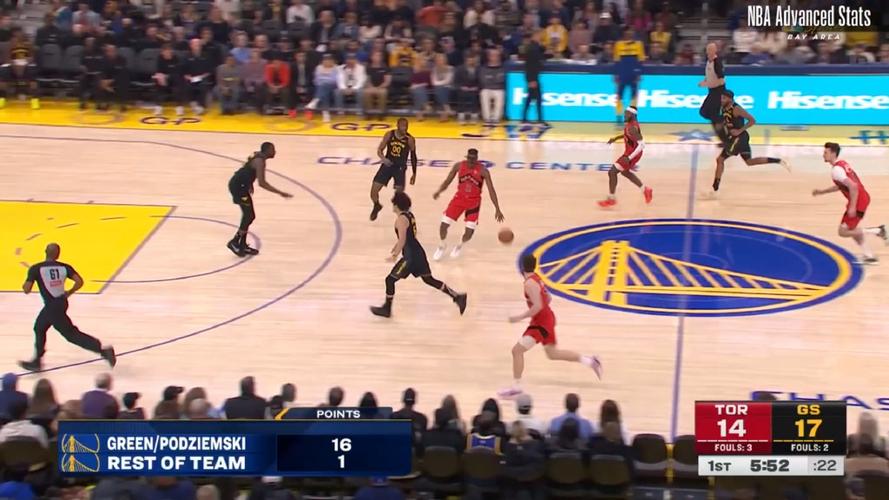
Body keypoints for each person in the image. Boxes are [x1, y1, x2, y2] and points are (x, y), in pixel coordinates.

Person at [498, 254, 602, 398]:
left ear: (522, 266)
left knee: (517, 351)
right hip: (546, 319)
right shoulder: (537, 278)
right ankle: (590, 361)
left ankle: (517, 387)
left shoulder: (529, 284)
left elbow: (538, 306)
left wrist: (518, 318)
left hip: (541, 323)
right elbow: (548, 298)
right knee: (553, 354)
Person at [19, 244, 116, 372]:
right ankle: (37, 361)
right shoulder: (64, 267)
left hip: (52, 306)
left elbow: (27, 289)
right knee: (39, 327)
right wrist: (69, 292)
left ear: (45, 252)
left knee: (70, 334)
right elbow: (79, 281)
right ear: (58, 254)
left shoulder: (36, 268)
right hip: (61, 302)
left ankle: (103, 351)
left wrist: (26, 283)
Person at [370, 192, 468, 318]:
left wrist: (395, 255)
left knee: (390, 280)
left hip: (410, 257)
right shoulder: (409, 215)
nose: (392, 206)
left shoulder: (400, 220)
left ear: (397, 205)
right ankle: (457, 297)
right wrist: (396, 247)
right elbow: (410, 236)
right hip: (418, 253)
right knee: (429, 279)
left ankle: (387, 309)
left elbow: (402, 240)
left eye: (393, 204)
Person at [812, 142, 887, 264]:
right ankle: (869, 256)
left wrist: (852, 206)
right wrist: (822, 192)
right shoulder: (842, 164)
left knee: (843, 231)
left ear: (833, 153)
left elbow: (853, 186)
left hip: (858, 201)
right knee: (851, 229)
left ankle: (878, 231)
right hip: (860, 199)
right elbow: (841, 186)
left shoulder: (836, 170)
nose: (823, 155)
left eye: (825, 152)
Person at [708, 89, 789, 196]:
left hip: (739, 138)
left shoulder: (736, 109)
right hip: (737, 138)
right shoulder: (723, 108)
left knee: (720, 159)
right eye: (721, 98)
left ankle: (715, 189)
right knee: (749, 162)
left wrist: (739, 131)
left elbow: (752, 120)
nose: (721, 100)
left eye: (724, 98)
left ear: (730, 99)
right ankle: (778, 161)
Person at [432, 148, 504, 260]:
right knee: (443, 225)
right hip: (459, 199)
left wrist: (497, 208)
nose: (471, 161)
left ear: (476, 159)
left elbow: (491, 190)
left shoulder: (483, 171)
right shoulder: (458, 166)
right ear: (467, 157)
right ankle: (442, 245)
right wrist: (439, 191)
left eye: (473, 159)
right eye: (469, 158)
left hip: (473, 202)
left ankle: (459, 246)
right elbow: (447, 181)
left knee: (469, 233)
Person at [226, 142, 293, 257]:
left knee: (249, 216)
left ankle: (242, 245)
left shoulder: (259, 157)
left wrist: (249, 183)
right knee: (249, 216)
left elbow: (247, 169)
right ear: (267, 150)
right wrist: (280, 192)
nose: (275, 152)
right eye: (272, 149)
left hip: (241, 185)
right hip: (238, 187)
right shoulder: (260, 161)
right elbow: (262, 183)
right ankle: (234, 242)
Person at [598, 106, 653, 208]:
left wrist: (629, 158)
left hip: (632, 154)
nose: (624, 115)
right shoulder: (630, 125)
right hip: (630, 152)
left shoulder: (633, 128)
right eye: (625, 113)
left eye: (627, 114)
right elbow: (627, 135)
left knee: (612, 172)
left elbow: (642, 145)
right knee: (625, 172)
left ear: (632, 115)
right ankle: (646, 190)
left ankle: (611, 199)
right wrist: (615, 138)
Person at [370, 118, 418, 221]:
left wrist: (414, 173)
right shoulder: (389, 134)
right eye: (403, 126)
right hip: (388, 165)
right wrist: (383, 159)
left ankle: (403, 218)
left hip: (400, 168)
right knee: (373, 191)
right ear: (397, 126)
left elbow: (414, 157)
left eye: (406, 126)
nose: (405, 128)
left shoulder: (410, 139)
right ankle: (377, 205)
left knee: (399, 196)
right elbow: (379, 150)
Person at [698, 42, 726, 142]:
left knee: (706, 112)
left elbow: (721, 81)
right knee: (709, 114)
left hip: (718, 92)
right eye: (707, 49)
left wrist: (707, 84)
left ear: (715, 51)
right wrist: (705, 81)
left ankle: (723, 120)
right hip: (712, 91)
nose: (708, 52)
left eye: (710, 49)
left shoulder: (717, 63)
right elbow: (709, 75)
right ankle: (724, 139)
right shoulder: (708, 62)